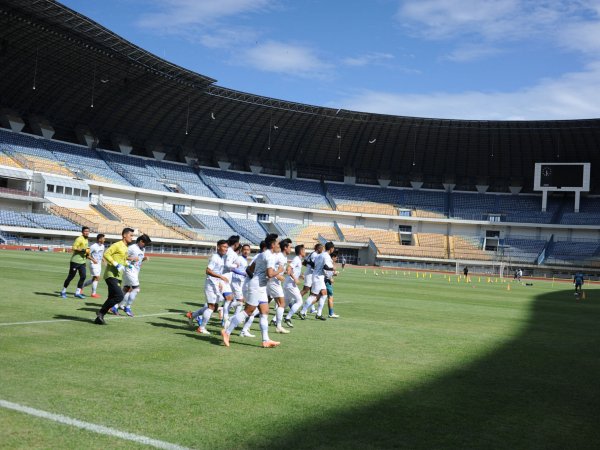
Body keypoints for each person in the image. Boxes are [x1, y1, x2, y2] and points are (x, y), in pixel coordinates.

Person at [221, 234, 280, 348]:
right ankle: (227, 332)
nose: (279, 245)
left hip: (260, 286)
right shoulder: (270, 257)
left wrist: (255, 279)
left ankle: (265, 340)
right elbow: (270, 274)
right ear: (273, 245)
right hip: (257, 286)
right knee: (248, 311)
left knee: (265, 312)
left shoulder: (261, 255)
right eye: (277, 243)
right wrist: (280, 270)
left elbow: (249, 269)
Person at [94, 228, 135, 325]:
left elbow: (122, 260)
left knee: (111, 297)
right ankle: (100, 313)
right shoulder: (117, 245)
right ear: (124, 235)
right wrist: (114, 263)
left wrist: (127, 264)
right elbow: (106, 254)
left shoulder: (125, 247)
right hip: (110, 274)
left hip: (118, 276)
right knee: (119, 296)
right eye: (131, 235)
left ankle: (100, 317)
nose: (132, 238)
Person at [192, 240, 231, 335]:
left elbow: (218, 271)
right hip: (210, 285)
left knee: (215, 307)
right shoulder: (215, 257)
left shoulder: (221, 258)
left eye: (226, 247)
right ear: (218, 247)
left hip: (216, 284)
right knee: (211, 307)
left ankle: (193, 315)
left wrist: (220, 282)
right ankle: (201, 328)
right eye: (223, 247)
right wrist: (221, 277)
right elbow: (208, 271)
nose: (225, 249)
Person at [110, 234, 151, 317]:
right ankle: (127, 307)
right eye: (145, 243)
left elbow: (138, 260)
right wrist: (131, 259)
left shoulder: (143, 249)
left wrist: (144, 259)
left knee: (127, 288)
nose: (145, 245)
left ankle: (115, 306)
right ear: (141, 241)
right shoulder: (132, 247)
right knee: (136, 289)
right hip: (129, 270)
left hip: (135, 271)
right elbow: (122, 256)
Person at [300, 241, 335, 320]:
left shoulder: (320, 255)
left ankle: (319, 314)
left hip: (318, 277)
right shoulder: (326, 256)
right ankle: (302, 311)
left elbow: (314, 264)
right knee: (313, 295)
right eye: (333, 248)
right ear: (331, 248)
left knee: (324, 294)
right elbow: (326, 267)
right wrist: (333, 269)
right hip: (318, 277)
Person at [60, 226, 95, 299]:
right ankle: (63, 291)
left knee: (83, 276)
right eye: (85, 231)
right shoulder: (79, 239)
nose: (87, 232)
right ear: (82, 232)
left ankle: (77, 293)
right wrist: (83, 250)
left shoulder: (86, 240)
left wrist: (89, 256)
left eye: (88, 231)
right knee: (71, 277)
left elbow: (86, 250)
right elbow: (74, 248)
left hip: (82, 262)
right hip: (75, 261)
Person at [268, 238, 291, 334]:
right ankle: (278, 326)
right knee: (282, 303)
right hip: (273, 281)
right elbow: (269, 269)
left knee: (262, 303)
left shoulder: (284, 257)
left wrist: (285, 272)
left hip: (275, 282)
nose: (291, 249)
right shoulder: (278, 256)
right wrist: (277, 275)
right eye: (290, 247)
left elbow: (280, 269)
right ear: (285, 247)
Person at [283, 244, 306, 328]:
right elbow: (289, 268)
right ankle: (288, 317)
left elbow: (293, 271)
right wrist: (295, 279)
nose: (305, 252)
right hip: (290, 285)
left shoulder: (298, 260)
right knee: (299, 301)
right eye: (304, 250)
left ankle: (274, 319)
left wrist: (300, 276)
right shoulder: (296, 259)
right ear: (300, 251)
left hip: (288, 284)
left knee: (285, 304)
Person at [83, 234, 105, 298]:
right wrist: (93, 260)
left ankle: (82, 286)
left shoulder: (103, 246)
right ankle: (93, 293)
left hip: (99, 264)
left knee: (94, 279)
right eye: (103, 238)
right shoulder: (93, 246)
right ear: (99, 239)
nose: (104, 240)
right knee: (97, 278)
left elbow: (101, 254)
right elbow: (87, 255)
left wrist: (104, 260)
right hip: (93, 264)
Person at [325, 252, 340, 318]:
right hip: (327, 281)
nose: (337, 259)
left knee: (319, 296)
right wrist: (330, 278)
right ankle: (331, 313)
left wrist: (334, 274)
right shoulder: (329, 262)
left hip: (325, 280)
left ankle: (331, 312)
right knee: (330, 297)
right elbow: (326, 271)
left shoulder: (330, 262)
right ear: (333, 257)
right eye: (336, 257)